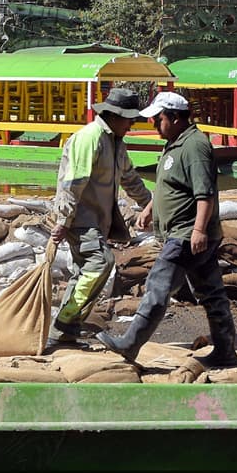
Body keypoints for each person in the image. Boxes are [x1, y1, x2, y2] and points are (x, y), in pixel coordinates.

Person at [96, 91, 237, 367]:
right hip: (185, 233)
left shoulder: (194, 147)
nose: (153, 124)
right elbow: (169, 186)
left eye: (157, 119)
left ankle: (130, 344)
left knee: (158, 285)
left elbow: (204, 193)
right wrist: (150, 208)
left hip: (186, 234)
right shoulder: (175, 143)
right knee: (211, 292)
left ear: (174, 118)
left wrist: (199, 230)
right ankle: (226, 351)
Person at [46, 86, 154, 352]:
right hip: (79, 218)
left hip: (97, 220)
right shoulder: (90, 138)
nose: (131, 125)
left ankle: (64, 332)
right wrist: (63, 221)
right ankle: (62, 325)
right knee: (100, 262)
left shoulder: (116, 142)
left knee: (85, 271)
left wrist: (150, 204)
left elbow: (130, 178)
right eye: (129, 120)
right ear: (114, 116)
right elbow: (73, 184)